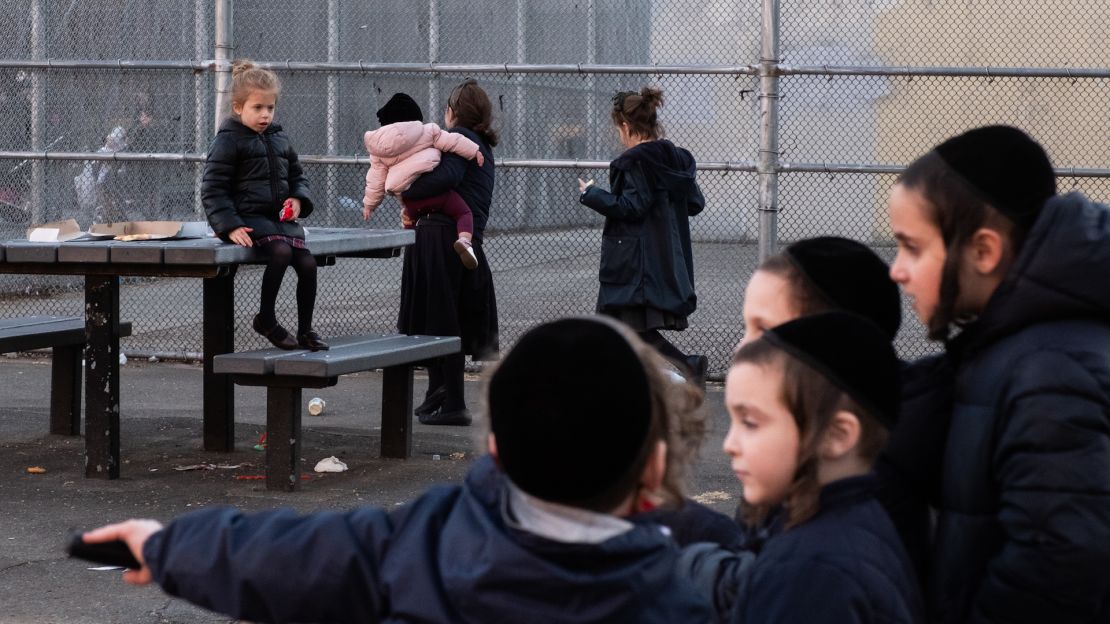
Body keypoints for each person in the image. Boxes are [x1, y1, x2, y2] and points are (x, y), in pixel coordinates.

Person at [80, 316, 712, 623]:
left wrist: (169, 546)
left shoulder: (430, 542)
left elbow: (289, 558)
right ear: (655, 469)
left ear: (495, 452)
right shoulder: (689, 594)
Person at [886, 125, 1110, 623]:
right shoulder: (1013, 346)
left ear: (983, 252)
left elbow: (1061, 561)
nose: (896, 271)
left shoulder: (1051, 370)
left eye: (912, 247)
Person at [688, 312, 924, 623]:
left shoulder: (812, 571)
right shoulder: (851, 524)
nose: (729, 444)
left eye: (750, 422)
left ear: (837, 435)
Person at [577, 86, 708, 387]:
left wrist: (592, 194)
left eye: (617, 129)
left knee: (615, 322)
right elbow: (694, 203)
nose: (618, 136)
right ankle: (683, 366)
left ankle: (675, 369)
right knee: (629, 325)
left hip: (633, 260)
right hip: (664, 256)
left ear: (625, 125)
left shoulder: (632, 161)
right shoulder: (676, 159)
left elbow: (631, 206)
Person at [201, 60, 327, 351]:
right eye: (257, 108)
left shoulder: (279, 138)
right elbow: (213, 189)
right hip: (248, 217)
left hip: (280, 220)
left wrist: (298, 199)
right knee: (281, 253)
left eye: (269, 108)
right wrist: (229, 226)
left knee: (307, 263)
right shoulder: (228, 140)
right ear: (238, 108)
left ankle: (306, 329)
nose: (265, 115)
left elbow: (298, 176)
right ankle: (266, 319)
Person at [398, 79, 499, 426]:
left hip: (442, 238)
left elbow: (443, 179)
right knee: (445, 316)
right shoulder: (480, 143)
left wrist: (404, 190)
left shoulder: (463, 142)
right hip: (459, 239)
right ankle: (438, 394)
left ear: (453, 112)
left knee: (440, 320)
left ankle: (452, 400)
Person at [362, 92, 484, 269]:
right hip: (437, 194)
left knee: (408, 218)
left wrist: (369, 205)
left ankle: (414, 251)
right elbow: (452, 141)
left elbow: (375, 179)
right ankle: (465, 241)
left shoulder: (378, 149)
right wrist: (474, 151)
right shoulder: (428, 131)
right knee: (464, 213)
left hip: (409, 200)